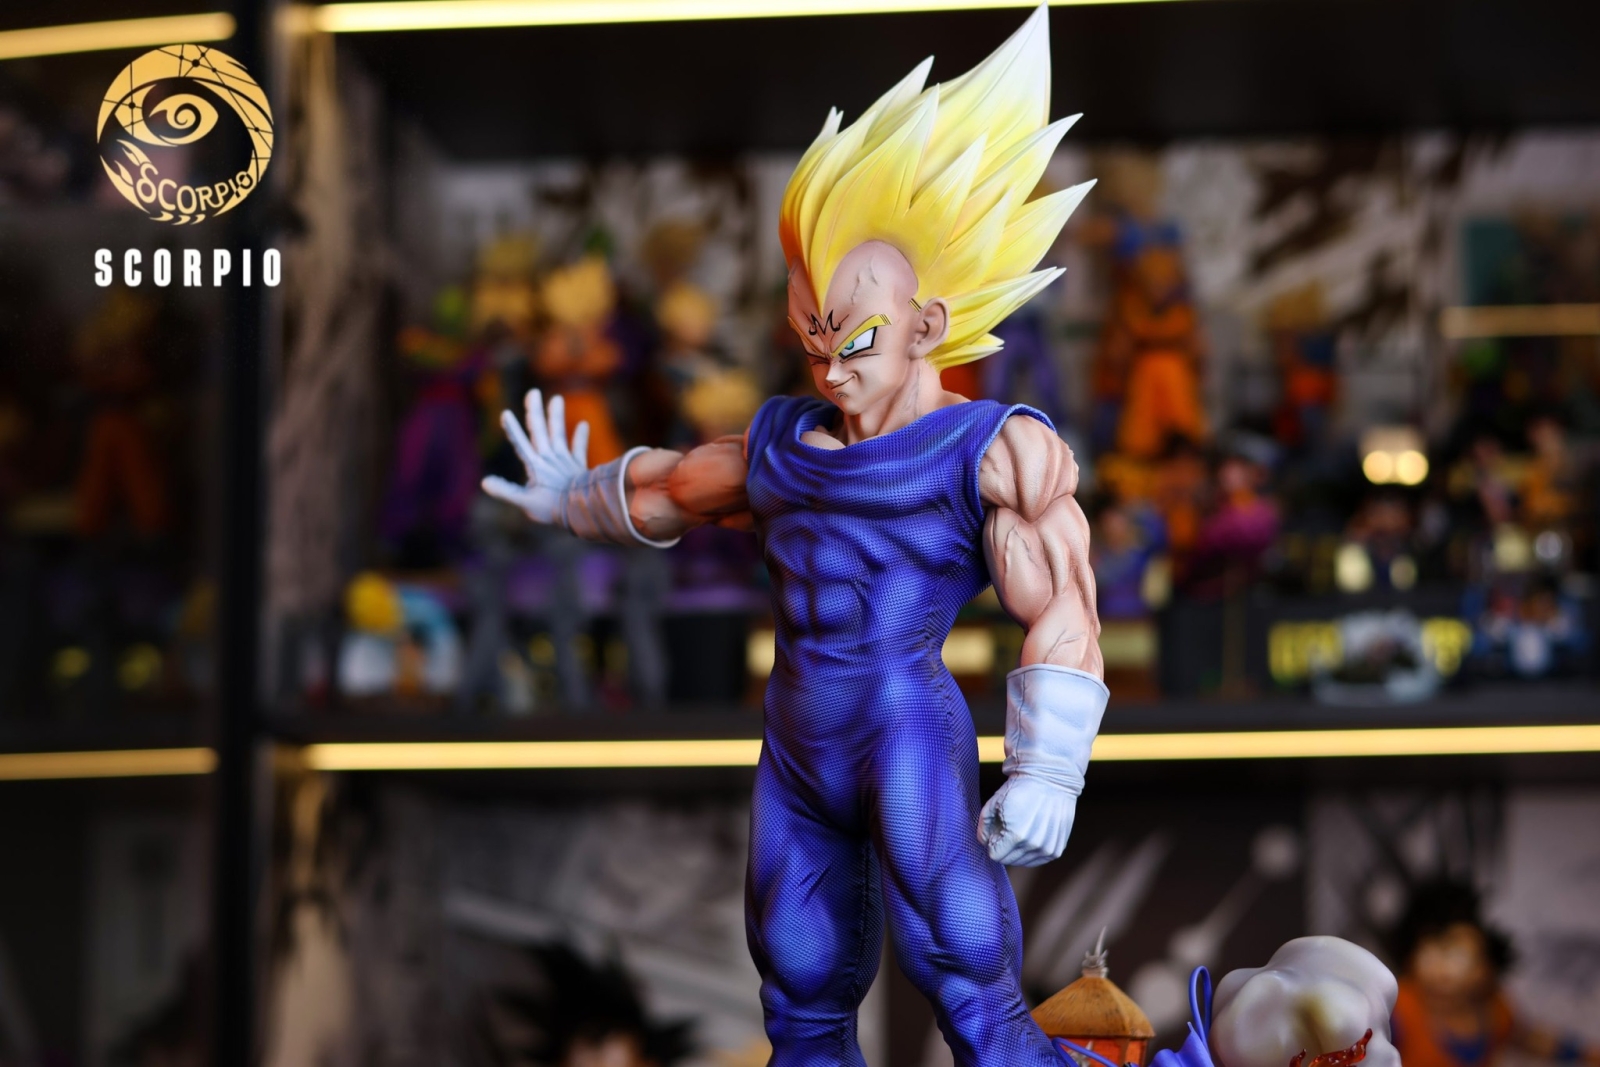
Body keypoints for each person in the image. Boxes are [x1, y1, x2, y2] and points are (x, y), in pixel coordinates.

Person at [483, 8, 1104, 1066]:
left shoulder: (991, 449)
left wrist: (1049, 767)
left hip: (903, 721)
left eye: (856, 338)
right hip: (797, 731)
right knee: (797, 978)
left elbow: (1063, 596)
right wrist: (573, 494)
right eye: (811, 336)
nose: (830, 365)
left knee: (960, 962)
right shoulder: (782, 442)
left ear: (927, 325)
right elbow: (677, 485)